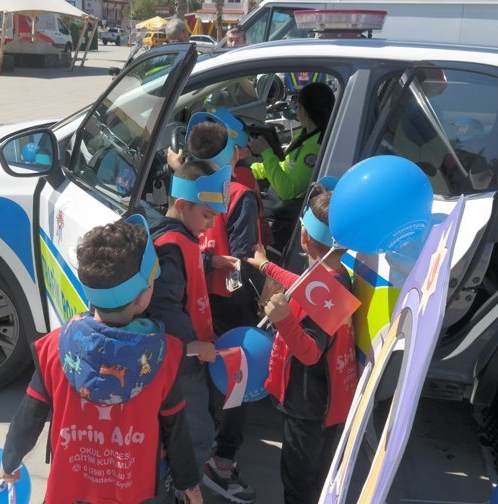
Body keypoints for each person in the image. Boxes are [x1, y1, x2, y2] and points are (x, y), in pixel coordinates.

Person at [0, 215, 203, 504]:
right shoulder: (165, 356)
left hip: (73, 486)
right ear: (143, 297)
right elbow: (176, 429)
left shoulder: (53, 349)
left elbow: (28, 418)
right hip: (135, 488)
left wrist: (10, 461)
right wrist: (189, 484)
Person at [244, 183, 358, 504]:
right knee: (313, 476)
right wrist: (266, 266)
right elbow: (304, 287)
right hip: (323, 402)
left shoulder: (326, 286)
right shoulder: (335, 274)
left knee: (298, 482)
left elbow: (309, 352)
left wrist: (283, 318)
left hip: (308, 406)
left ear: (305, 238)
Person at [147, 159, 236, 490]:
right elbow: (165, 308)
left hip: (184, 354)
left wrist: (211, 260)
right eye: (207, 216)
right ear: (182, 204)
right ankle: (185, 490)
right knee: (196, 434)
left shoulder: (174, 233)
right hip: (183, 361)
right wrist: (191, 347)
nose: (211, 225)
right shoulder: (171, 247)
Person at [248, 82, 335, 250]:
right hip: (279, 198)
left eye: (298, 105)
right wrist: (251, 170)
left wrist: (266, 152)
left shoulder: (315, 147)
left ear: (304, 110)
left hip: (290, 211)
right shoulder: (306, 135)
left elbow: (287, 190)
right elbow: (285, 165)